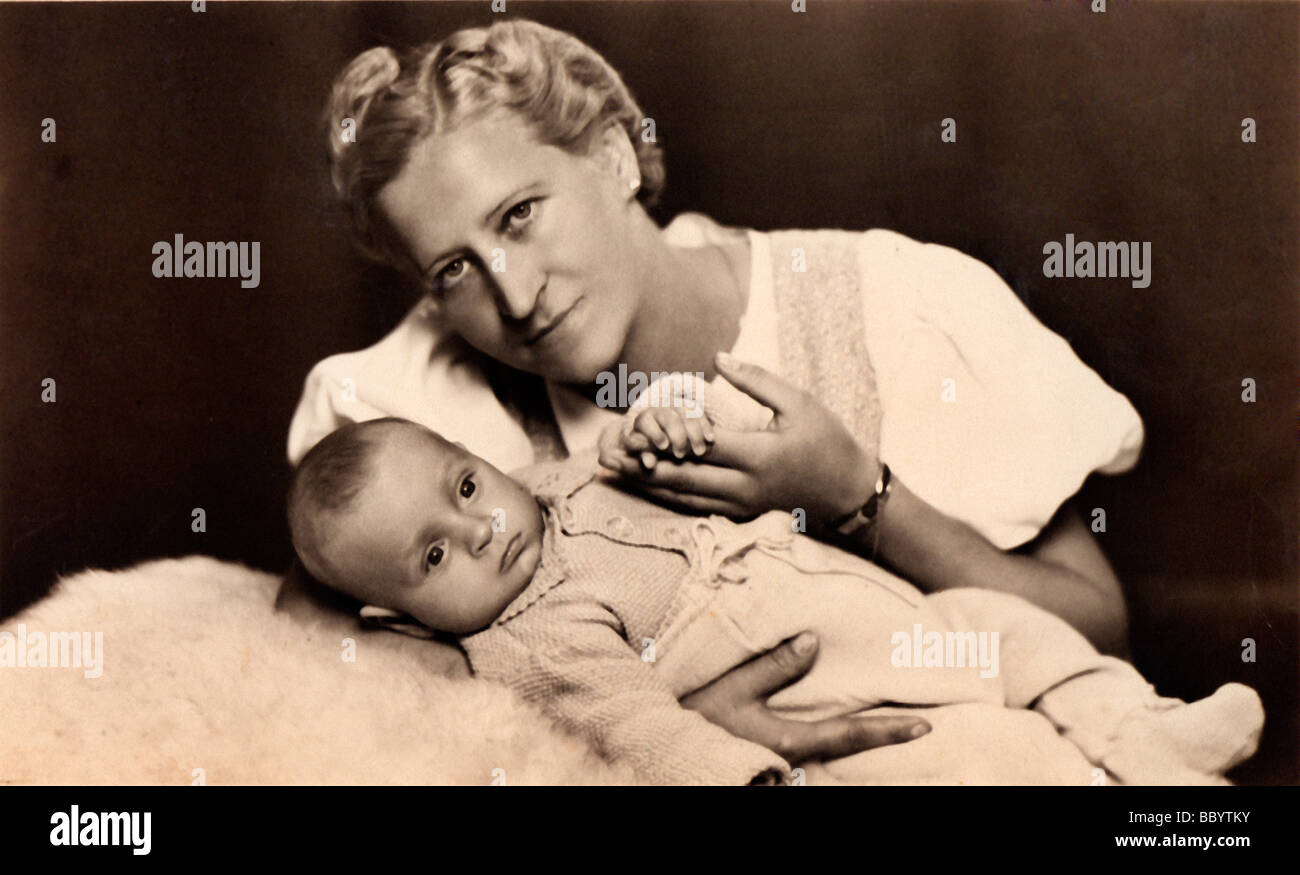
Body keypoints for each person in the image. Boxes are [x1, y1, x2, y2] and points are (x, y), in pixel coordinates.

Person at [283, 18, 1144, 769]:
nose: (512, 295)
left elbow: (1100, 629)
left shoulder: (892, 303)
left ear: (613, 157)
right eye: (456, 268)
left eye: (518, 215)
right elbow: (304, 635)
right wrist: (656, 728)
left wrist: (858, 497)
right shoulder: (424, 407)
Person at [284, 416, 1262, 785]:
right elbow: (636, 730)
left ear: (478, 457)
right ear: (404, 613)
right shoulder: (528, 640)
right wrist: (744, 775)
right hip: (833, 694)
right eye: (433, 555)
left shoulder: (556, 481)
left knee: (1019, 633)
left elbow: (649, 461)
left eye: (463, 488)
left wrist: (655, 441)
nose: (481, 529)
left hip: (899, 617)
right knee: (980, 756)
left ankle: (1148, 740)